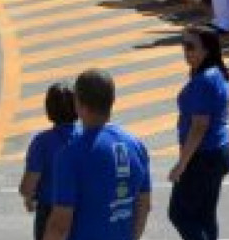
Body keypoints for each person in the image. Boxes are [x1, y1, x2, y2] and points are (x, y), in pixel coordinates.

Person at [43, 69, 152, 240]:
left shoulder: (70, 155)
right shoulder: (136, 146)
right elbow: (144, 204)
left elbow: (60, 225)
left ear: (78, 104)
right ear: (112, 100)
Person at [168, 25, 229, 240]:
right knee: (205, 214)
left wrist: (182, 164)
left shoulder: (204, 80)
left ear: (206, 50)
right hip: (220, 150)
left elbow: (199, 127)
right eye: (183, 45)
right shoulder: (216, 73)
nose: (185, 51)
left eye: (190, 46)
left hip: (204, 156)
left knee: (180, 214)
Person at [19, 83, 80, 240]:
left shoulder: (42, 142)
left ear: (49, 109)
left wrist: (28, 198)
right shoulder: (87, 137)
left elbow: (28, 186)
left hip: (50, 212)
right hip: (83, 211)